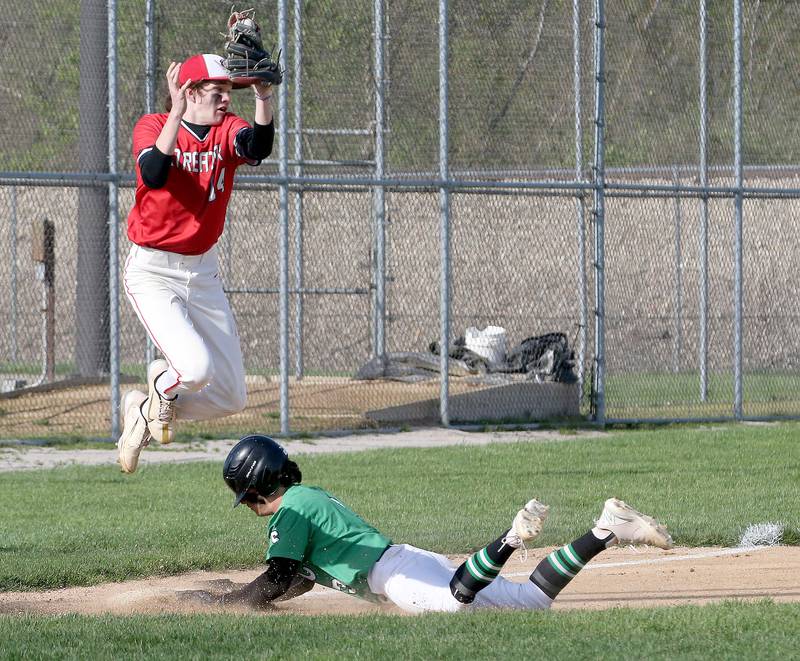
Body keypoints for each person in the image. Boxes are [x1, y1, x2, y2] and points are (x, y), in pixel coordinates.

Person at [178, 435, 674, 613]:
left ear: (261, 487)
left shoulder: (289, 511)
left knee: (451, 608)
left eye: (248, 499)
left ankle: (510, 537)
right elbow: (300, 580)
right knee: (531, 602)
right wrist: (253, 600)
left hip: (396, 576)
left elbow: (280, 576)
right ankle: (607, 529)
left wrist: (230, 605)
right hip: (405, 561)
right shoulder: (307, 499)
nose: (249, 507)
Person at [118, 54, 276, 473]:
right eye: (216, 92)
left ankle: (147, 407)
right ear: (189, 93)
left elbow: (258, 145)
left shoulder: (227, 130)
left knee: (230, 396)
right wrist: (175, 112)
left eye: (228, 91)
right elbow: (153, 172)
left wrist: (263, 97)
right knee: (196, 368)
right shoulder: (152, 125)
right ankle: (162, 385)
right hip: (153, 270)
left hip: (202, 272)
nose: (225, 99)